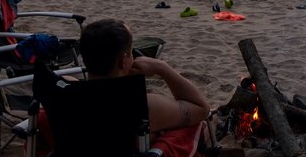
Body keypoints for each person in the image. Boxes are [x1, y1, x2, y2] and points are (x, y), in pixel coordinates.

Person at [78, 19, 209, 134]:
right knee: (204, 125)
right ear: (123, 61)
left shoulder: (65, 96)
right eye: (131, 52)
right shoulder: (146, 106)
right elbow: (201, 108)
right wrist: (162, 68)